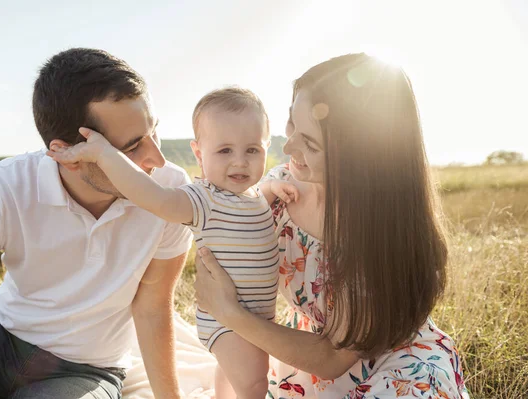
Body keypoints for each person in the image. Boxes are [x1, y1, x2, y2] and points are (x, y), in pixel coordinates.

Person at [193, 53, 470, 398]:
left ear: (358, 155)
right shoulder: (281, 187)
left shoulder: (379, 234)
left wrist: (227, 311)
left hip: (395, 370)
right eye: (291, 125)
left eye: (309, 142)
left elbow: (333, 358)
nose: (288, 146)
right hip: (305, 356)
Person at [0, 48, 193, 399]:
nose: (157, 159)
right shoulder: (3, 189)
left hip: (89, 368)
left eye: (154, 132)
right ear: (68, 155)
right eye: (130, 148)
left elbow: (153, 307)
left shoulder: (171, 193)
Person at [47, 87, 304, 399]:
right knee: (253, 384)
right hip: (227, 320)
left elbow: (255, 205)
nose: (240, 162)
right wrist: (106, 155)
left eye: (252, 150)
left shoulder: (252, 195)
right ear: (199, 153)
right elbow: (154, 197)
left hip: (255, 318)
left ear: (267, 148)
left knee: (231, 373)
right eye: (224, 151)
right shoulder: (203, 199)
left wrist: (273, 186)